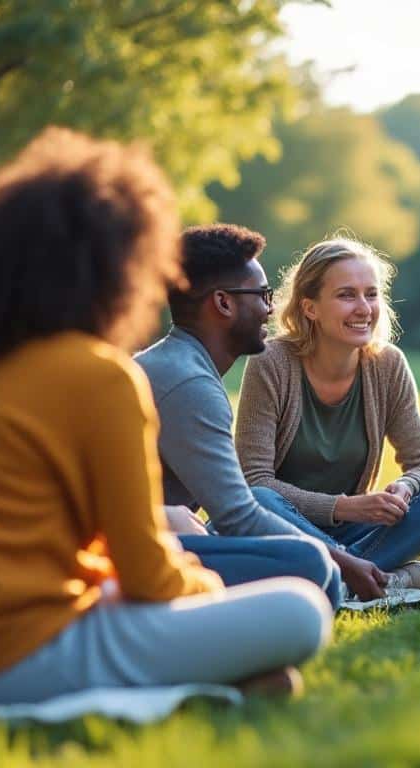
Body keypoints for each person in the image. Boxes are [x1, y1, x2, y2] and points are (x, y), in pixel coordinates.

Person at [0, 128, 331, 703]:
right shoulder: (102, 375)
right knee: (300, 609)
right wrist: (208, 592)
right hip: (16, 656)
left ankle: (213, 670)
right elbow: (148, 572)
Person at [136, 223, 390, 606]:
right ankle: (349, 574)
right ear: (223, 303)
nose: (270, 309)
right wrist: (338, 558)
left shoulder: (180, 366)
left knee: (306, 559)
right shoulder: (189, 383)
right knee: (311, 563)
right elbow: (238, 515)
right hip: (130, 551)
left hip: (155, 537)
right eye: (262, 295)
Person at [235, 235, 420, 587]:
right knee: (259, 499)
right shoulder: (271, 363)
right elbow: (254, 481)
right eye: (347, 295)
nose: (364, 308)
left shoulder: (388, 365)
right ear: (309, 307)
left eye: (371, 294)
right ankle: (374, 576)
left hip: (355, 528)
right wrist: (343, 506)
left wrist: (405, 486)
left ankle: (338, 574)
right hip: (283, 522)